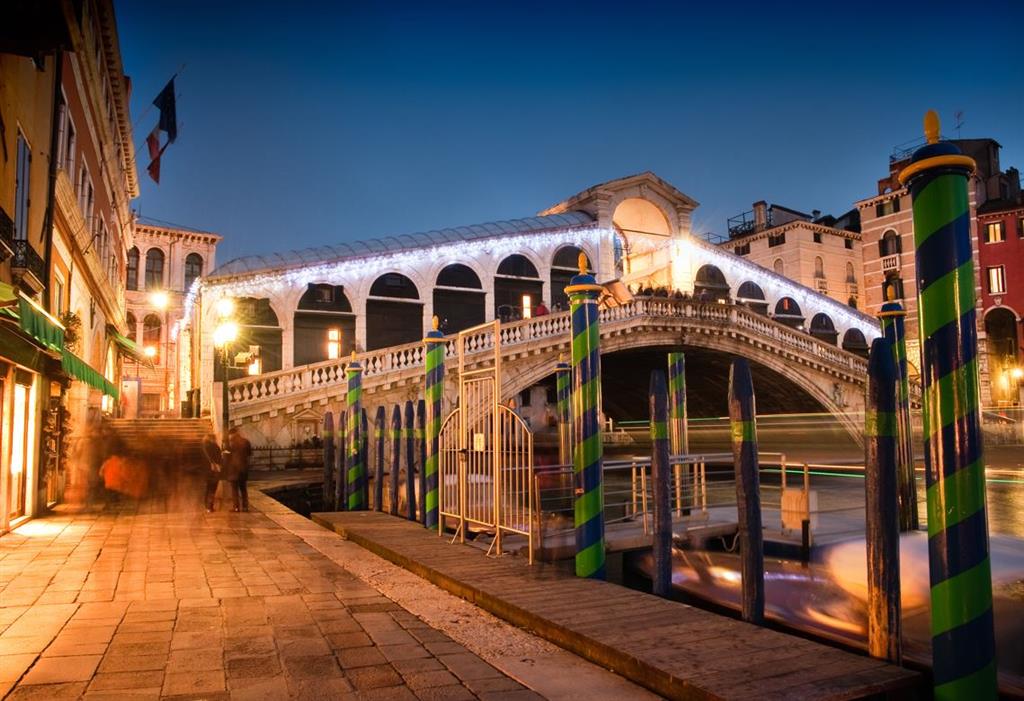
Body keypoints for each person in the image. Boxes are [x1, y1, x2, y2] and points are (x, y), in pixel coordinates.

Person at [224, 427, 252, 512]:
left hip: (233, 470)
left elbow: (226, 457)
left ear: (231, 434)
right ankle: (245, 507)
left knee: (234, 490)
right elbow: (249, 455)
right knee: (243, 489)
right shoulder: (246, 442)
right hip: (243, 469)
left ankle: (236, 507)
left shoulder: (230, 443)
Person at [201, 433, 223, 512]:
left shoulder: (204, 446)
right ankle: (210, 506)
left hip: (206, 471)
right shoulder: (215, 447)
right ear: (212, 439)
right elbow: (219, 458)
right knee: (212, 489)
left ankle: (207, 506)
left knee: (208, 489)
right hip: (215, 471)